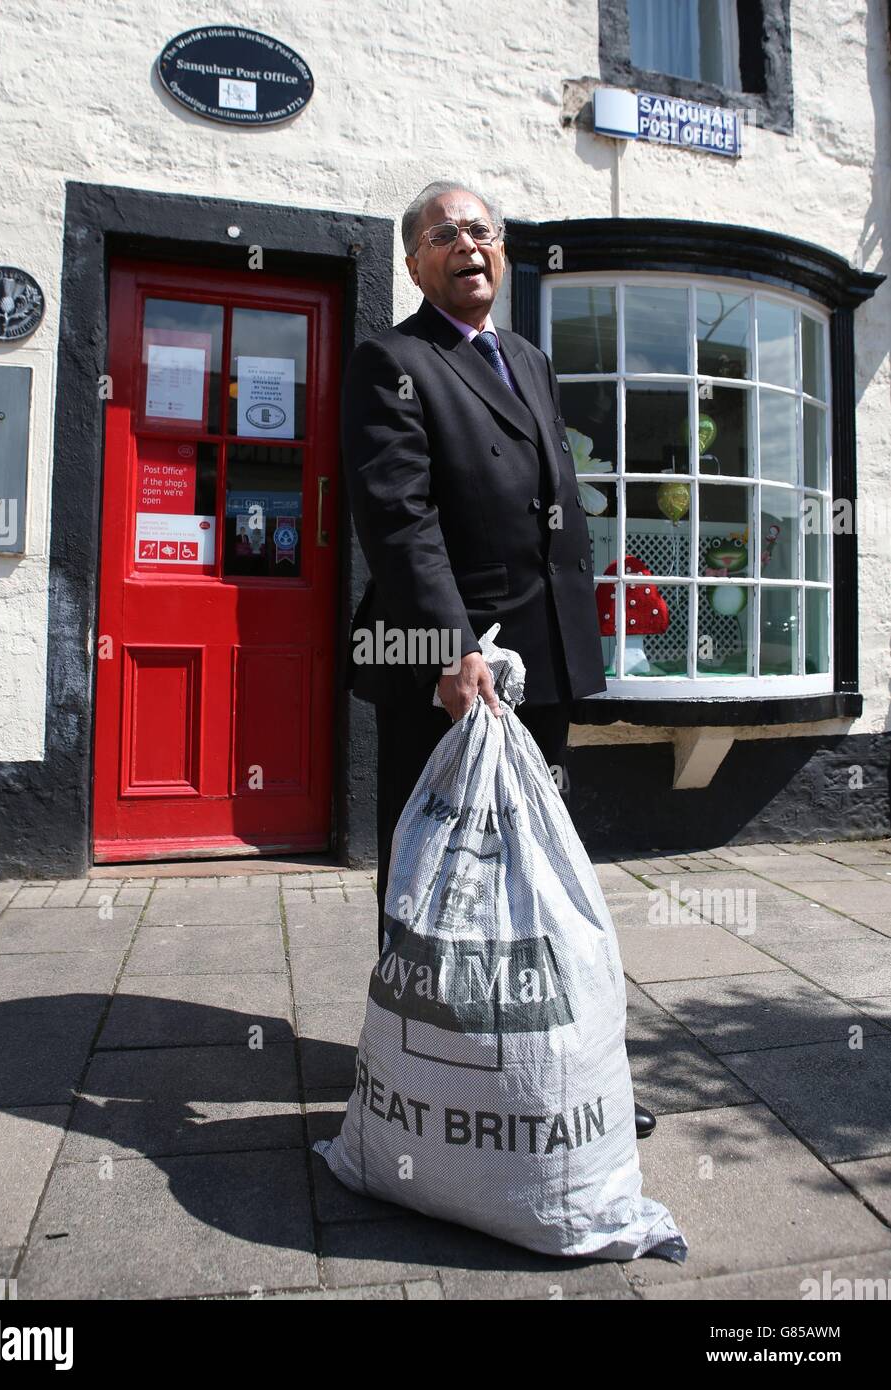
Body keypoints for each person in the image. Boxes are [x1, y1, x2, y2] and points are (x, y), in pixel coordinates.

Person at [341, 180, 655, 1138]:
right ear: (414, 261)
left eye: (481, 231)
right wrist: (448, 650)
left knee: (536, 865)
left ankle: (540, 1062)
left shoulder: (527, 358)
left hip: (542, 655)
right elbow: (399, 518)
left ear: (503, 250)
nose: (467, 246)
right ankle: (423, 1052)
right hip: (447, 660)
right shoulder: (391, 359)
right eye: (444, 235)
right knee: (435, 858)